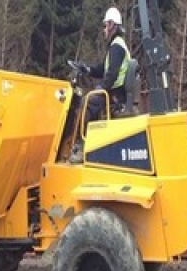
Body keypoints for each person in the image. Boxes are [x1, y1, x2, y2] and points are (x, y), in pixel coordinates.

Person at [70, 6, 131, 163]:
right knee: (93, 97)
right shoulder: (115, 46)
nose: (104, 29)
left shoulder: (117, 46)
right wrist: (87, 69)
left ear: (112, 25)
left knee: (87, 102)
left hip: (116, 95)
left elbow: (111, 75)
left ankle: (82, 145)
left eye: (105, 25)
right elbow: (103, 69)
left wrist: (101, 88)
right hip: (114, 92)